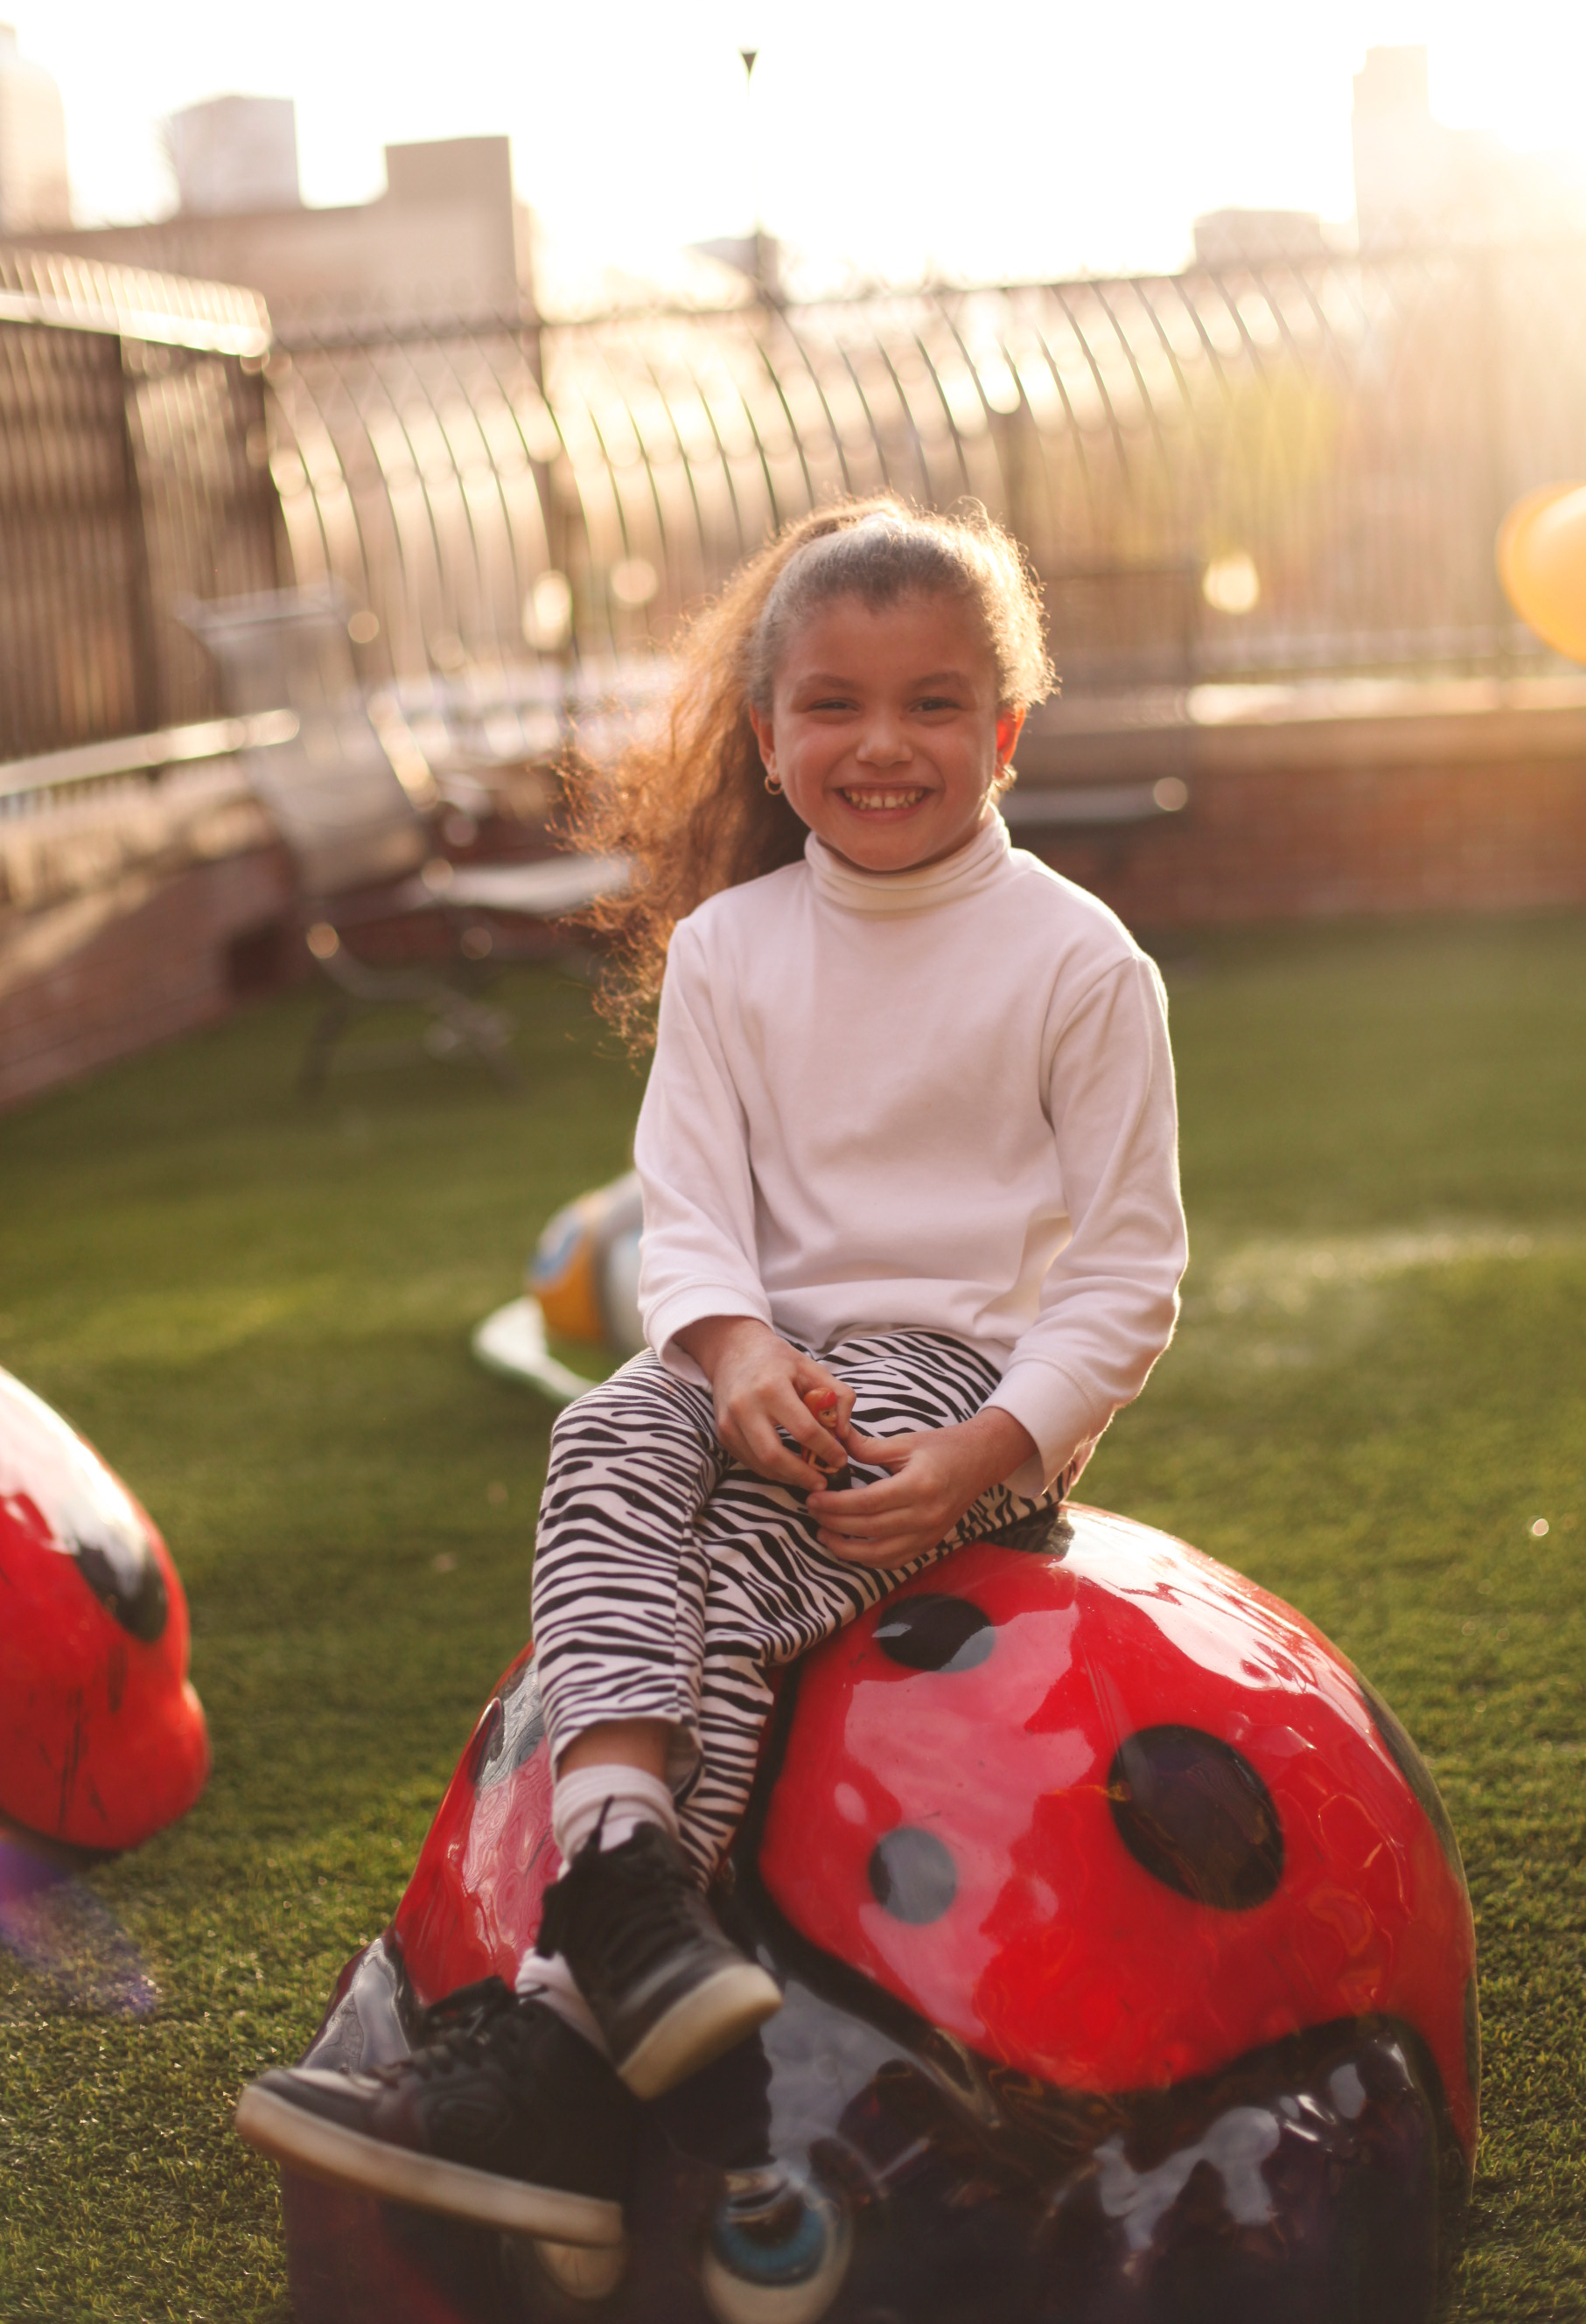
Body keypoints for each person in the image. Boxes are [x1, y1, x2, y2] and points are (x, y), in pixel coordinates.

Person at [235, 496, 1187, 2258]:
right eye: (832, 703)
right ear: (768, 732)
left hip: (961, 1385)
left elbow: (1127, 1274)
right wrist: (732, 1341)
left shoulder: (1075, 963)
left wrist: (990, 1449)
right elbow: (686, 1213)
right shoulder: (735, 952)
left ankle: (566, 2029)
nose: (880, 742)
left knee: (732, 1574)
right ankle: (625, 1888)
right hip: (763, 1357)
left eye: (932, 701)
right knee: (610, 1428)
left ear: (1006, 726)